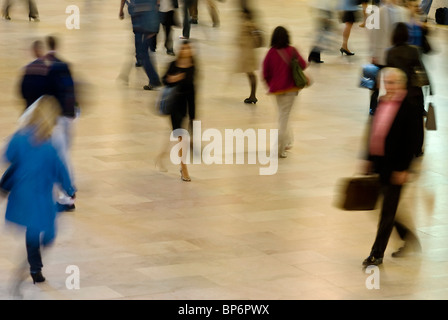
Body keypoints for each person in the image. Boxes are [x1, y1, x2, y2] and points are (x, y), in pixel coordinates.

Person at [2, 95, 76, 285]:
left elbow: (8, 156)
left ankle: (33, 266)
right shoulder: (50, 146)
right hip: (42, 196)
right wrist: (70, 189)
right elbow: (61, 169)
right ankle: (34, 267)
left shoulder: (19, 138)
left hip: (22, 194)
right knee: (48, 232)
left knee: (32, 229)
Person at [362, 67, 421, 267]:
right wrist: (368, 158)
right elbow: (374, 131)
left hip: (397, 167)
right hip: (381, 163)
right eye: (388, 83)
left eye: (394, 83)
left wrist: (404, 169)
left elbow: (414, 141)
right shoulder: (382, 102)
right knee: (383, 207)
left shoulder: (410, 107)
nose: (390, 86)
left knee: (387, 212)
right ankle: (408, 236)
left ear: (403, 84)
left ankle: (376, 253)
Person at [262, 26, 308, 158]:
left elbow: (265, 73)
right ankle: (279, 148)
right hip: (290, 90)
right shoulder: (292, 50)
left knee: (283, 116)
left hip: (277, 91)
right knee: (284, 118)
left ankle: (287, 141)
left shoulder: (271, 53)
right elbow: (303, 65)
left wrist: (271, 84)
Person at [44, 35, 78, 211]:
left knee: (61, 155)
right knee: (64, 153)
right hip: (67, 116)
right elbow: (71, 89)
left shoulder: (48, 67)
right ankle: (67, 191)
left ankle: (67, 193)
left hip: (56, 118)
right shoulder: (64, 65)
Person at [386, 22, 428, 157]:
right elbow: (420, 70)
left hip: (398, 93)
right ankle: (417, 148)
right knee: (417, 122)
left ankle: (401, 147)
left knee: (399, 122)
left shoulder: (390, 53)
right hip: (414, 93)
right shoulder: (414, 51)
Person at [159, 40, 197, 181]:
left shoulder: (192, 67)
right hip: (174, 105)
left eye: (188, 49)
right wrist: (174, 78)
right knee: (181, 137)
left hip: (185, 106)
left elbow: (193, 91)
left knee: (177, 135)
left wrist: (193, 115)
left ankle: (161, 156)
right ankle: (184, 168)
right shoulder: (173, 65)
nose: (186, 51)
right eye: (184, 49)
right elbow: (164, 80)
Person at [368, 0, 409, 115]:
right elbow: (372, 33)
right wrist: (373, 53)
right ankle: (373, 106)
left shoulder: (403, 12)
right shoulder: (377, 12)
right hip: (381, 52)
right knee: (377, 82)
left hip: (396, 52)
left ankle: (395, 106)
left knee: (396, 80)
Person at [119, 0, 162, 90]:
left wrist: (122, 10)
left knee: (143, 53)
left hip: (146, 25)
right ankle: (154, 79)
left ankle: (154, 80)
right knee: (143, 52)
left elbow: (154, 5)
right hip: (142, 24)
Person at [235, 7, 259, 104]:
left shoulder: (249, 24)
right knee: (250, 74)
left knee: (251, 74)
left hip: (249, 54)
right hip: (247, 53)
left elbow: (256, 37)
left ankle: (253, 96)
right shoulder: (247, 24)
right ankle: (252, 95)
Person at [20, 40, 49, 109]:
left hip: (32, 105)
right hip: (44, 106)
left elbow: (23, 90)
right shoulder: (48, 68)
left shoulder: (29, 68)